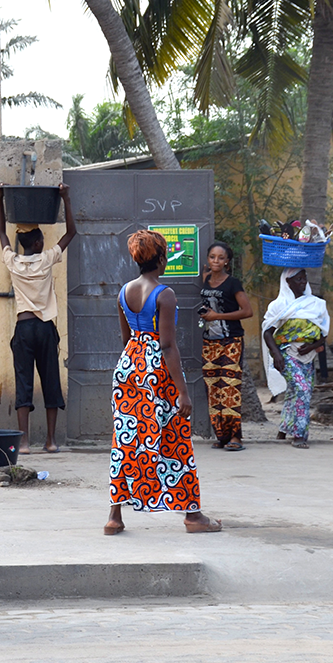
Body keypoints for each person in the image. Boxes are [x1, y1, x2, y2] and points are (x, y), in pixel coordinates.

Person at [106, 229, 222, 536]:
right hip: (158, 372)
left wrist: (135, 363)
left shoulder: (123, 291)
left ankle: (115, 517)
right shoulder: (165, 294)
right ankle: (193, 517)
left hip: (129, 367)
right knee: (175, 439)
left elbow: (125, 337)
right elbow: (168, 346)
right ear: (160, 258)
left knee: (127, 439)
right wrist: (183, 392)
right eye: (165, 254)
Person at [0, 183, 76, 454]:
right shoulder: (46, 259)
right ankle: (51, 441)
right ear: (40, 243)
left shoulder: (13, 261)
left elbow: (1, 233)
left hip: (23, 328)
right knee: (50, 380)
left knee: (24, 383)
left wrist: (0, 198)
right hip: (44, 328)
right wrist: (65, 197)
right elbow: (72, 233)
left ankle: (24, 442)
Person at [261, 268, 330, 449]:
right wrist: (276, 354)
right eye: (298, 279)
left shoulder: (316, 304)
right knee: (302, 387)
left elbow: (323, 334)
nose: (302, 282)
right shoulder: (279, 305)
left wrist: (312, 347)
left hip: (307, 355)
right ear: (288, 282)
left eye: (304, 278)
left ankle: (283, 430)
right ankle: (299, 435)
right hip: (286, 354)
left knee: (294, 392)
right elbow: (267, 332)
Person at [199, 241, 253, 451]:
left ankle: (236, 437)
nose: (216, 261)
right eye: (212, 257)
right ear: (208, 258)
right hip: (209, 341)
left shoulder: (233, 283)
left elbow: (247, 311)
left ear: (227, 261)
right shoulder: (205, 279)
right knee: (213, 388)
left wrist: (217, 316)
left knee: (230, 387)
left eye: (221, 258)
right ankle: (221, 435)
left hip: (231, 341)